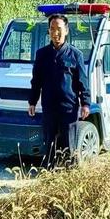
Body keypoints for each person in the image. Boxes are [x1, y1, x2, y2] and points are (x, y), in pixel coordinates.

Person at [28, 14, 90, 167]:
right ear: (48, 31)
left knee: (69, 146)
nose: (55, 33)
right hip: (49, 108)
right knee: (49, 145)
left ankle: (69, 178)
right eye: (52, 29)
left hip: (68, 109)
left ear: (66, 30)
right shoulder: (42, 54)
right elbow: (36, 81)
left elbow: (83, 81)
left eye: (59, 29)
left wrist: (85, 103)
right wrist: (32, 101)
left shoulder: (76, 55)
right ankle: (50, 176)